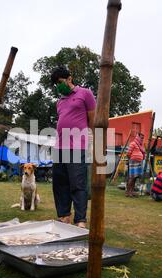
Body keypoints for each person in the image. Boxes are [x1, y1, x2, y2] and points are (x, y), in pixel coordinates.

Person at [50, 66, 96, 228]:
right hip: (59, 147)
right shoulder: (60, 102)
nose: (59, 86)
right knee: (60, 183)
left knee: (78, 183)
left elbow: (92, 120)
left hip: (77, 146)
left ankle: (80, 220)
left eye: (60, 82)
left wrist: (91, 142)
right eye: (56, 84)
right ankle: (64, 216)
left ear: (69, 78)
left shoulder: (85, 94)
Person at [126, 132, 146, 197]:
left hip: (139, 162)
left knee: (135, 177)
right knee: (131, 177)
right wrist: (131, 159)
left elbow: (143, 153)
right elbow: (128, 153)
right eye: (141, 138)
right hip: (133, 162)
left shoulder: (141, 145)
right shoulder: (133, 143)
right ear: (138, 137)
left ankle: (132, 191)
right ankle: (128, 192)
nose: (142, 139)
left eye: (143, 138)